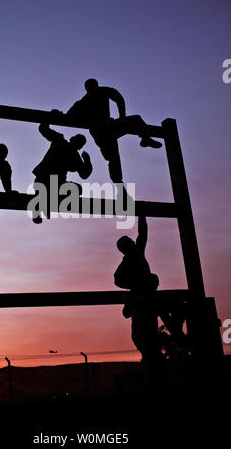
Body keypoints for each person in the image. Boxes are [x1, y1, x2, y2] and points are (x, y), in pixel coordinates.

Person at [66, 78, 162, 184]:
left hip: (108, 128)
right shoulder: (87, 99)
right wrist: (122, 117)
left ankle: (145, 138)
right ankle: (119, 185)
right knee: (113, 157)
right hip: (101, 133)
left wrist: (122, 117)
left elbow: (118, 98)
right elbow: (69, 116)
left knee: (135, 121)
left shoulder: (92, 96)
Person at [114, 215, 163, 365]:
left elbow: (142, 235)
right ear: (125, 247)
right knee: (142, 335)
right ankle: (152, 361)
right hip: (141, 302)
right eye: (129, 242)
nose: (133, 242)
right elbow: (117, 279)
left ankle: (153, 361)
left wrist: (142, 217)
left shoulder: (133, 256)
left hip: (143, 303)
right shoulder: (133, 256)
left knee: (144, 335)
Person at [31, 122, 92, 223]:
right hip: (45, 180)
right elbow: (43, 128)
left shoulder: (72, 154)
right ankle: (45, 205)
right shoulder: (60, 141)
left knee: (76, 189)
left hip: (52, 183)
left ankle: (48, 204)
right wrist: (87, 160)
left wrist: (87, 161)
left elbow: (84, 174)